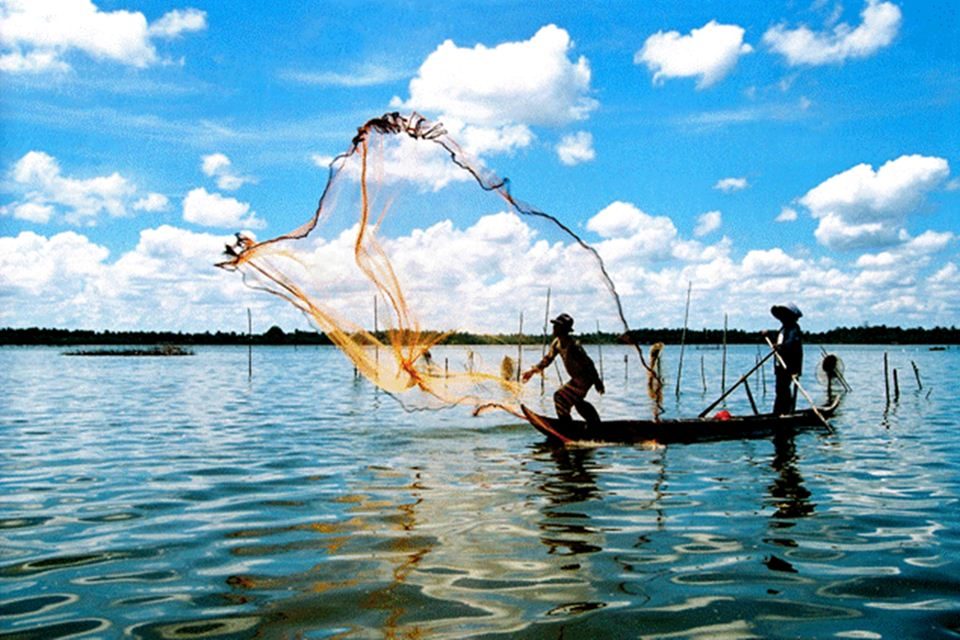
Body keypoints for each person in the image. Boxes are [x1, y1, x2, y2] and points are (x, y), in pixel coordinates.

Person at [522, 313, 605, 427]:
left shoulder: (574, 346)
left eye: (557, 326)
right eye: (555, 325)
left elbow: (589, 364)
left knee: (560, 397)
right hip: (577, 378)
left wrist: (597, 382)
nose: (554, 328)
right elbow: (548, 359)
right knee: (577, 402)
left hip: (585, 377)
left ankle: (567, 425)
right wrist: (531, 372)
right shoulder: (557, 343)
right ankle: (594, 424)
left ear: (564, 329)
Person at [765, 303, 804, 415]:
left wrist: (781, 347)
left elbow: (791, 343)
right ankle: (779, 413)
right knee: (780, 390)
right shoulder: (783, 329)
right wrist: (769, 335)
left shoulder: (794, 329)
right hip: (780, 366)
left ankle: (784, 413)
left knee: (783, 390)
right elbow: (780, 340)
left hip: (789, 366)